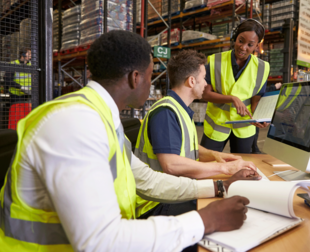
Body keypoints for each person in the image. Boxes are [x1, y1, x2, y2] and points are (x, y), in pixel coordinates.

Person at [0, 30, 262, 252]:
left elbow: (146, 180)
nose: (152, 83)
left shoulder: (104, 117)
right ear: (135, 78)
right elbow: (99, 241)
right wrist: (204, 221)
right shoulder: (74, 122)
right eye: (150, 76)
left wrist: (218, 186)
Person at [135, 49, 257, 219]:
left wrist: (216, 155)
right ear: (192, 81)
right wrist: (225, 168)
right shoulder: (166, 112)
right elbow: (171, 165)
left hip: (174, 193)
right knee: (233, 208)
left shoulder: (180, 109)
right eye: (203, 78)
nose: (206, 84)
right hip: (157, 203)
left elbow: (188, 146)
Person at [201, 19, 270, 153]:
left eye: (250, 44)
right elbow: (205, 94)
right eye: (241, 41)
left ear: (256, 46)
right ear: (235, 38)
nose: (243, 47)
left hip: (244, 126)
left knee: (242, 166)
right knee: (206, 162)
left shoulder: (262, 68)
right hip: (217, 124)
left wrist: (259, 117)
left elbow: (256, 99)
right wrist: (232, 98)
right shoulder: (214, 60)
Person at [251, 82, 282, 154]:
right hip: (251, 110)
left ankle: (254, 148)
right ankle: (254, 149)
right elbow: (260, 90)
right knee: (255, 128)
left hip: (253, 110)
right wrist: (274, 87)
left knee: (255, 129)